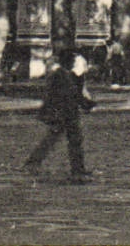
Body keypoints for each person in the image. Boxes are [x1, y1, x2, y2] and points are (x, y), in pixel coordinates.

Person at [22, 50, 95, 182]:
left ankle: (77, 169)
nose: (73, 63)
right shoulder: (59, 75)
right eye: (72, 61)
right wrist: (85, 104)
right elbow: (63, 95)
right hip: (61, 113)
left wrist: (86, 104)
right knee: (55, 140)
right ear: (67, 62)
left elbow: (75, 94)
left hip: (69, 113)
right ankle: (33, 163)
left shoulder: (69, 75)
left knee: (72, 141)